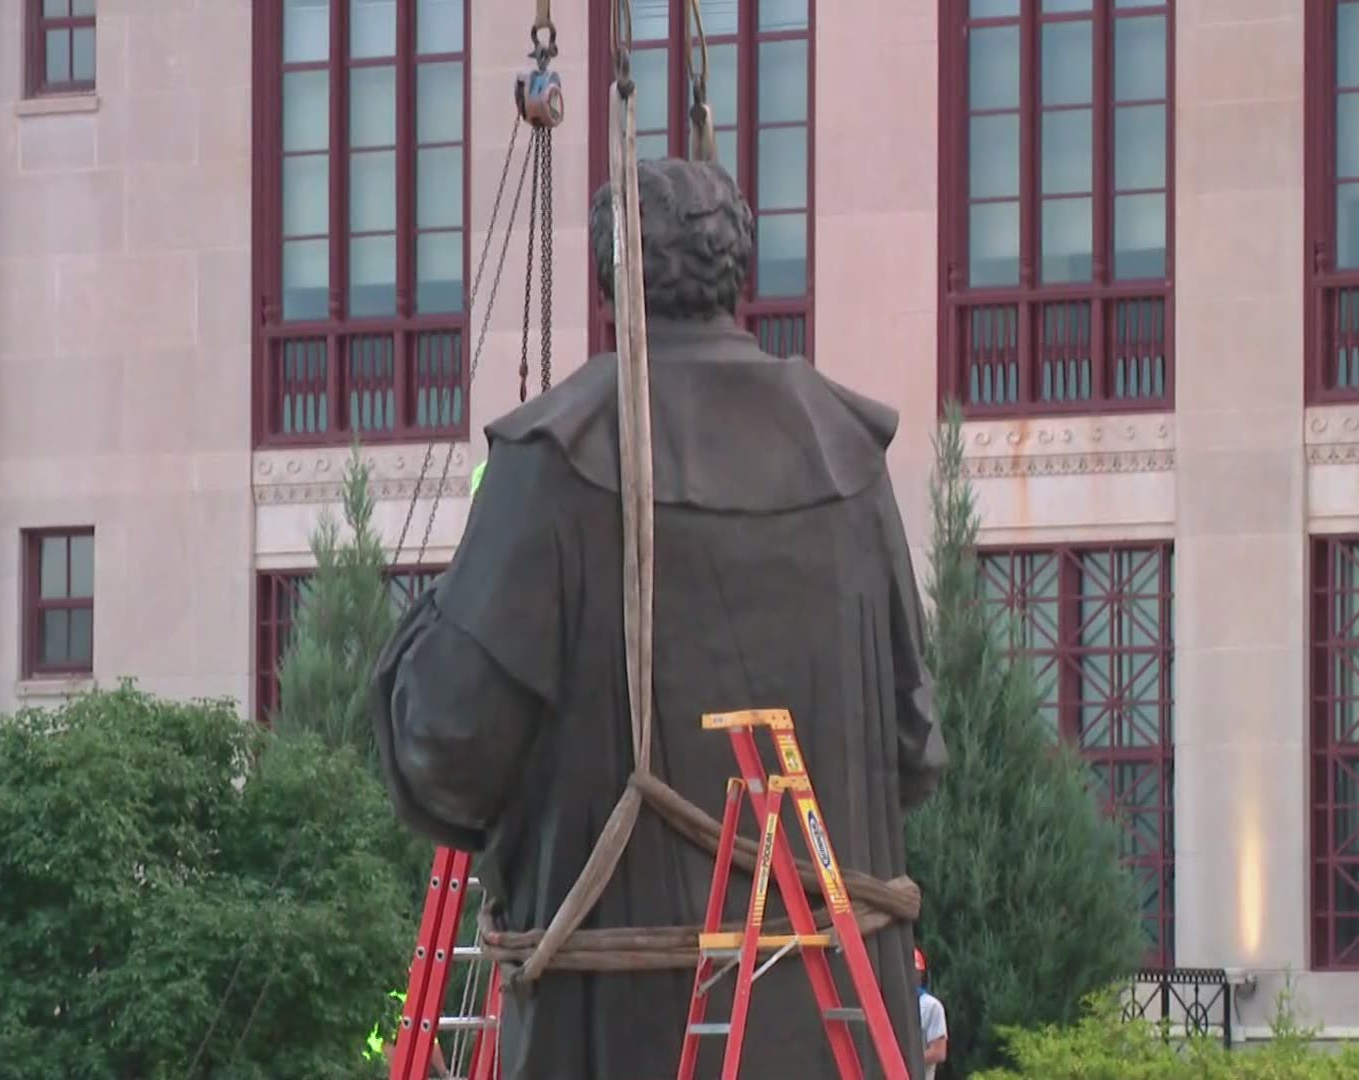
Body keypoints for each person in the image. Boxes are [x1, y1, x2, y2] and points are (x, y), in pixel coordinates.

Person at [369, 156, 947, 1079]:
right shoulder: (848, 460)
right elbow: (915, 750)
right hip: (839, 1038)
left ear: (610, 281)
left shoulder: (555, 458)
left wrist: (410, 642)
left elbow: (446, 747)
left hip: (617, 1040)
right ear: (737, 274)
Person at [915, 948, 949, 1080]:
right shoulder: (890, 1004)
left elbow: (939, 1052)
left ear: (920, 975)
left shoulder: (931, 1006)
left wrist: (906, 1061)